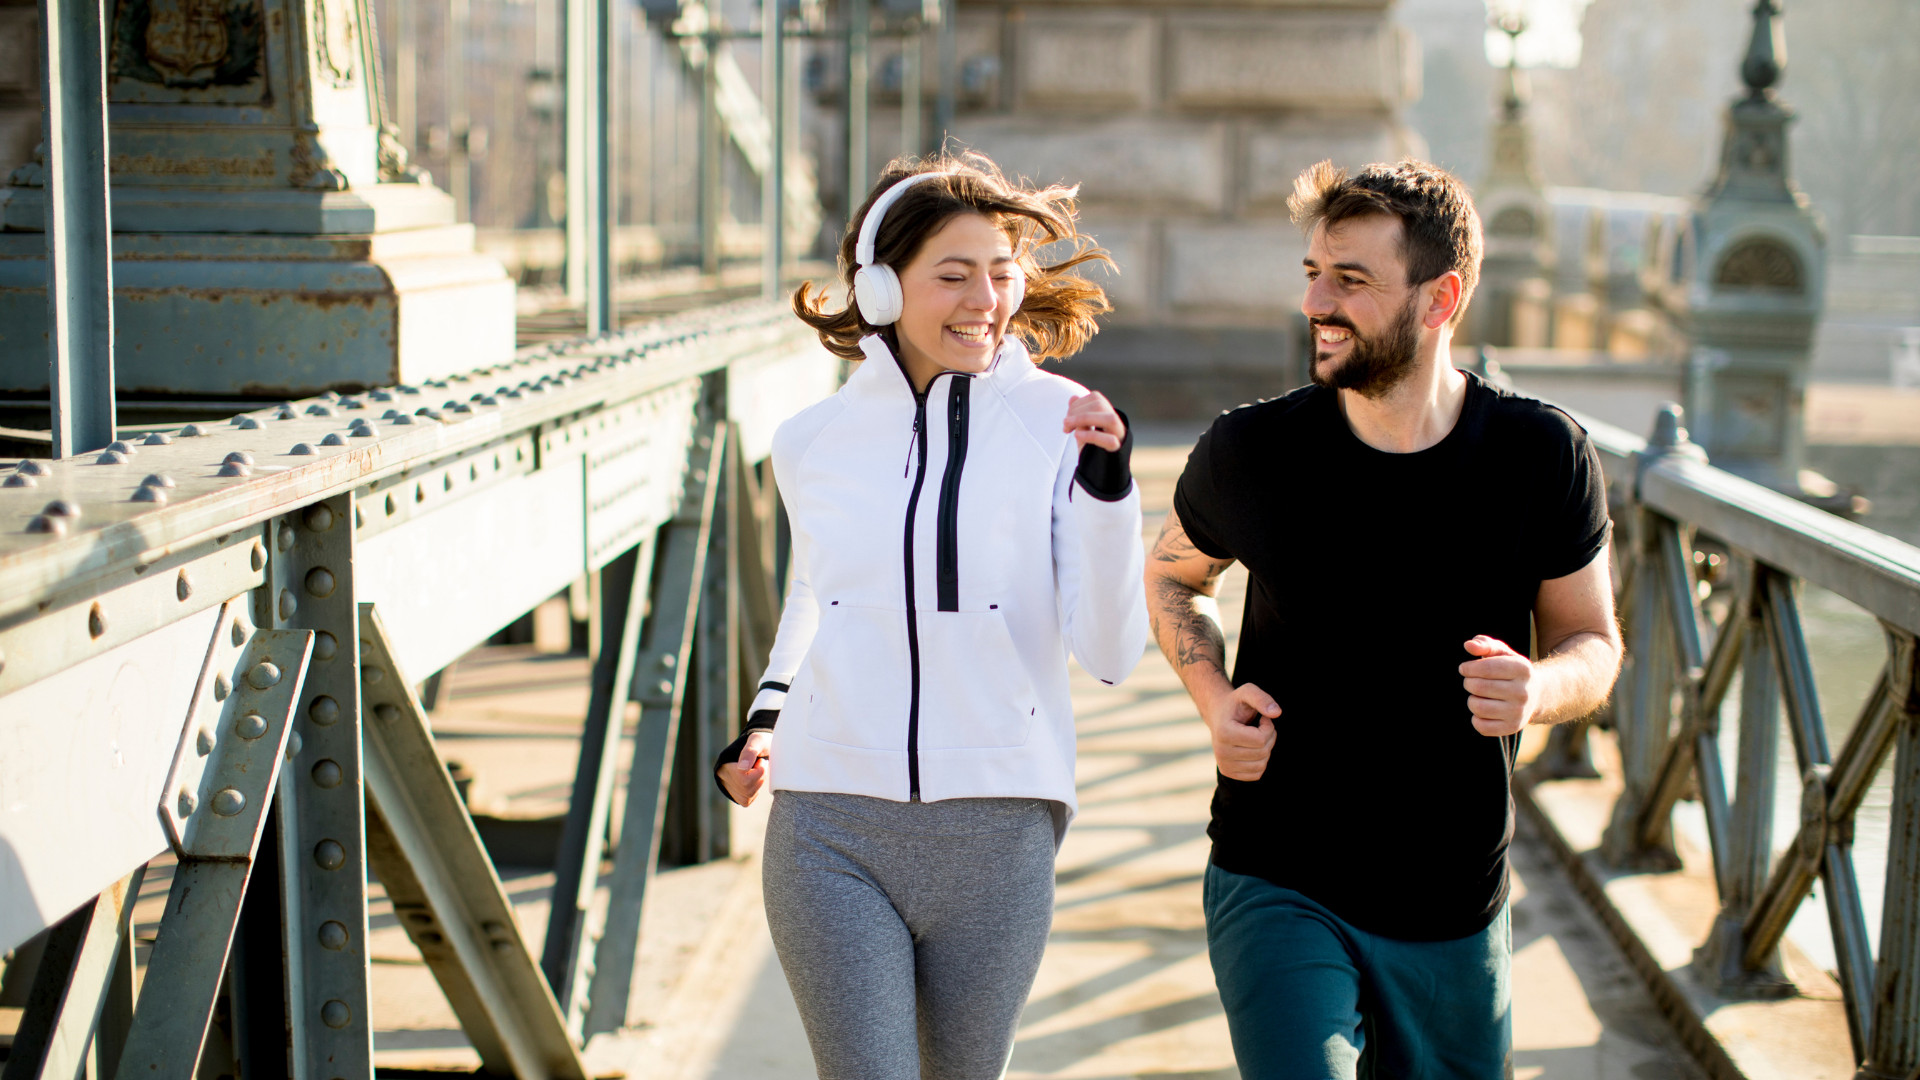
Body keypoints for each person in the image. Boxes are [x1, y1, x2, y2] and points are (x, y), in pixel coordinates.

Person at [1144, 159, 1623, 1079]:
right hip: (1276, 872)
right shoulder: (1252, 449)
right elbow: (1173, 579)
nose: (1317, 302)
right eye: (1313, 274)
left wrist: (1538, 688)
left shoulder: (1541, 455)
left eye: (1351, 280)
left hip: (1454, 902)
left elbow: (1592, 642)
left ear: (1440, 300)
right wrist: (1212, 699)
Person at [711, 153, 1149, 1080]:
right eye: (952, 275)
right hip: (830, 823)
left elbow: (1111, 653)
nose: (984, 299)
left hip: (998, 830)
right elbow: (815, 593)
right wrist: (764, 718)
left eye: (1000, 272)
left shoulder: (1060, 422)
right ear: (879, 287)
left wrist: (1110, 492)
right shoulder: (812, 441)